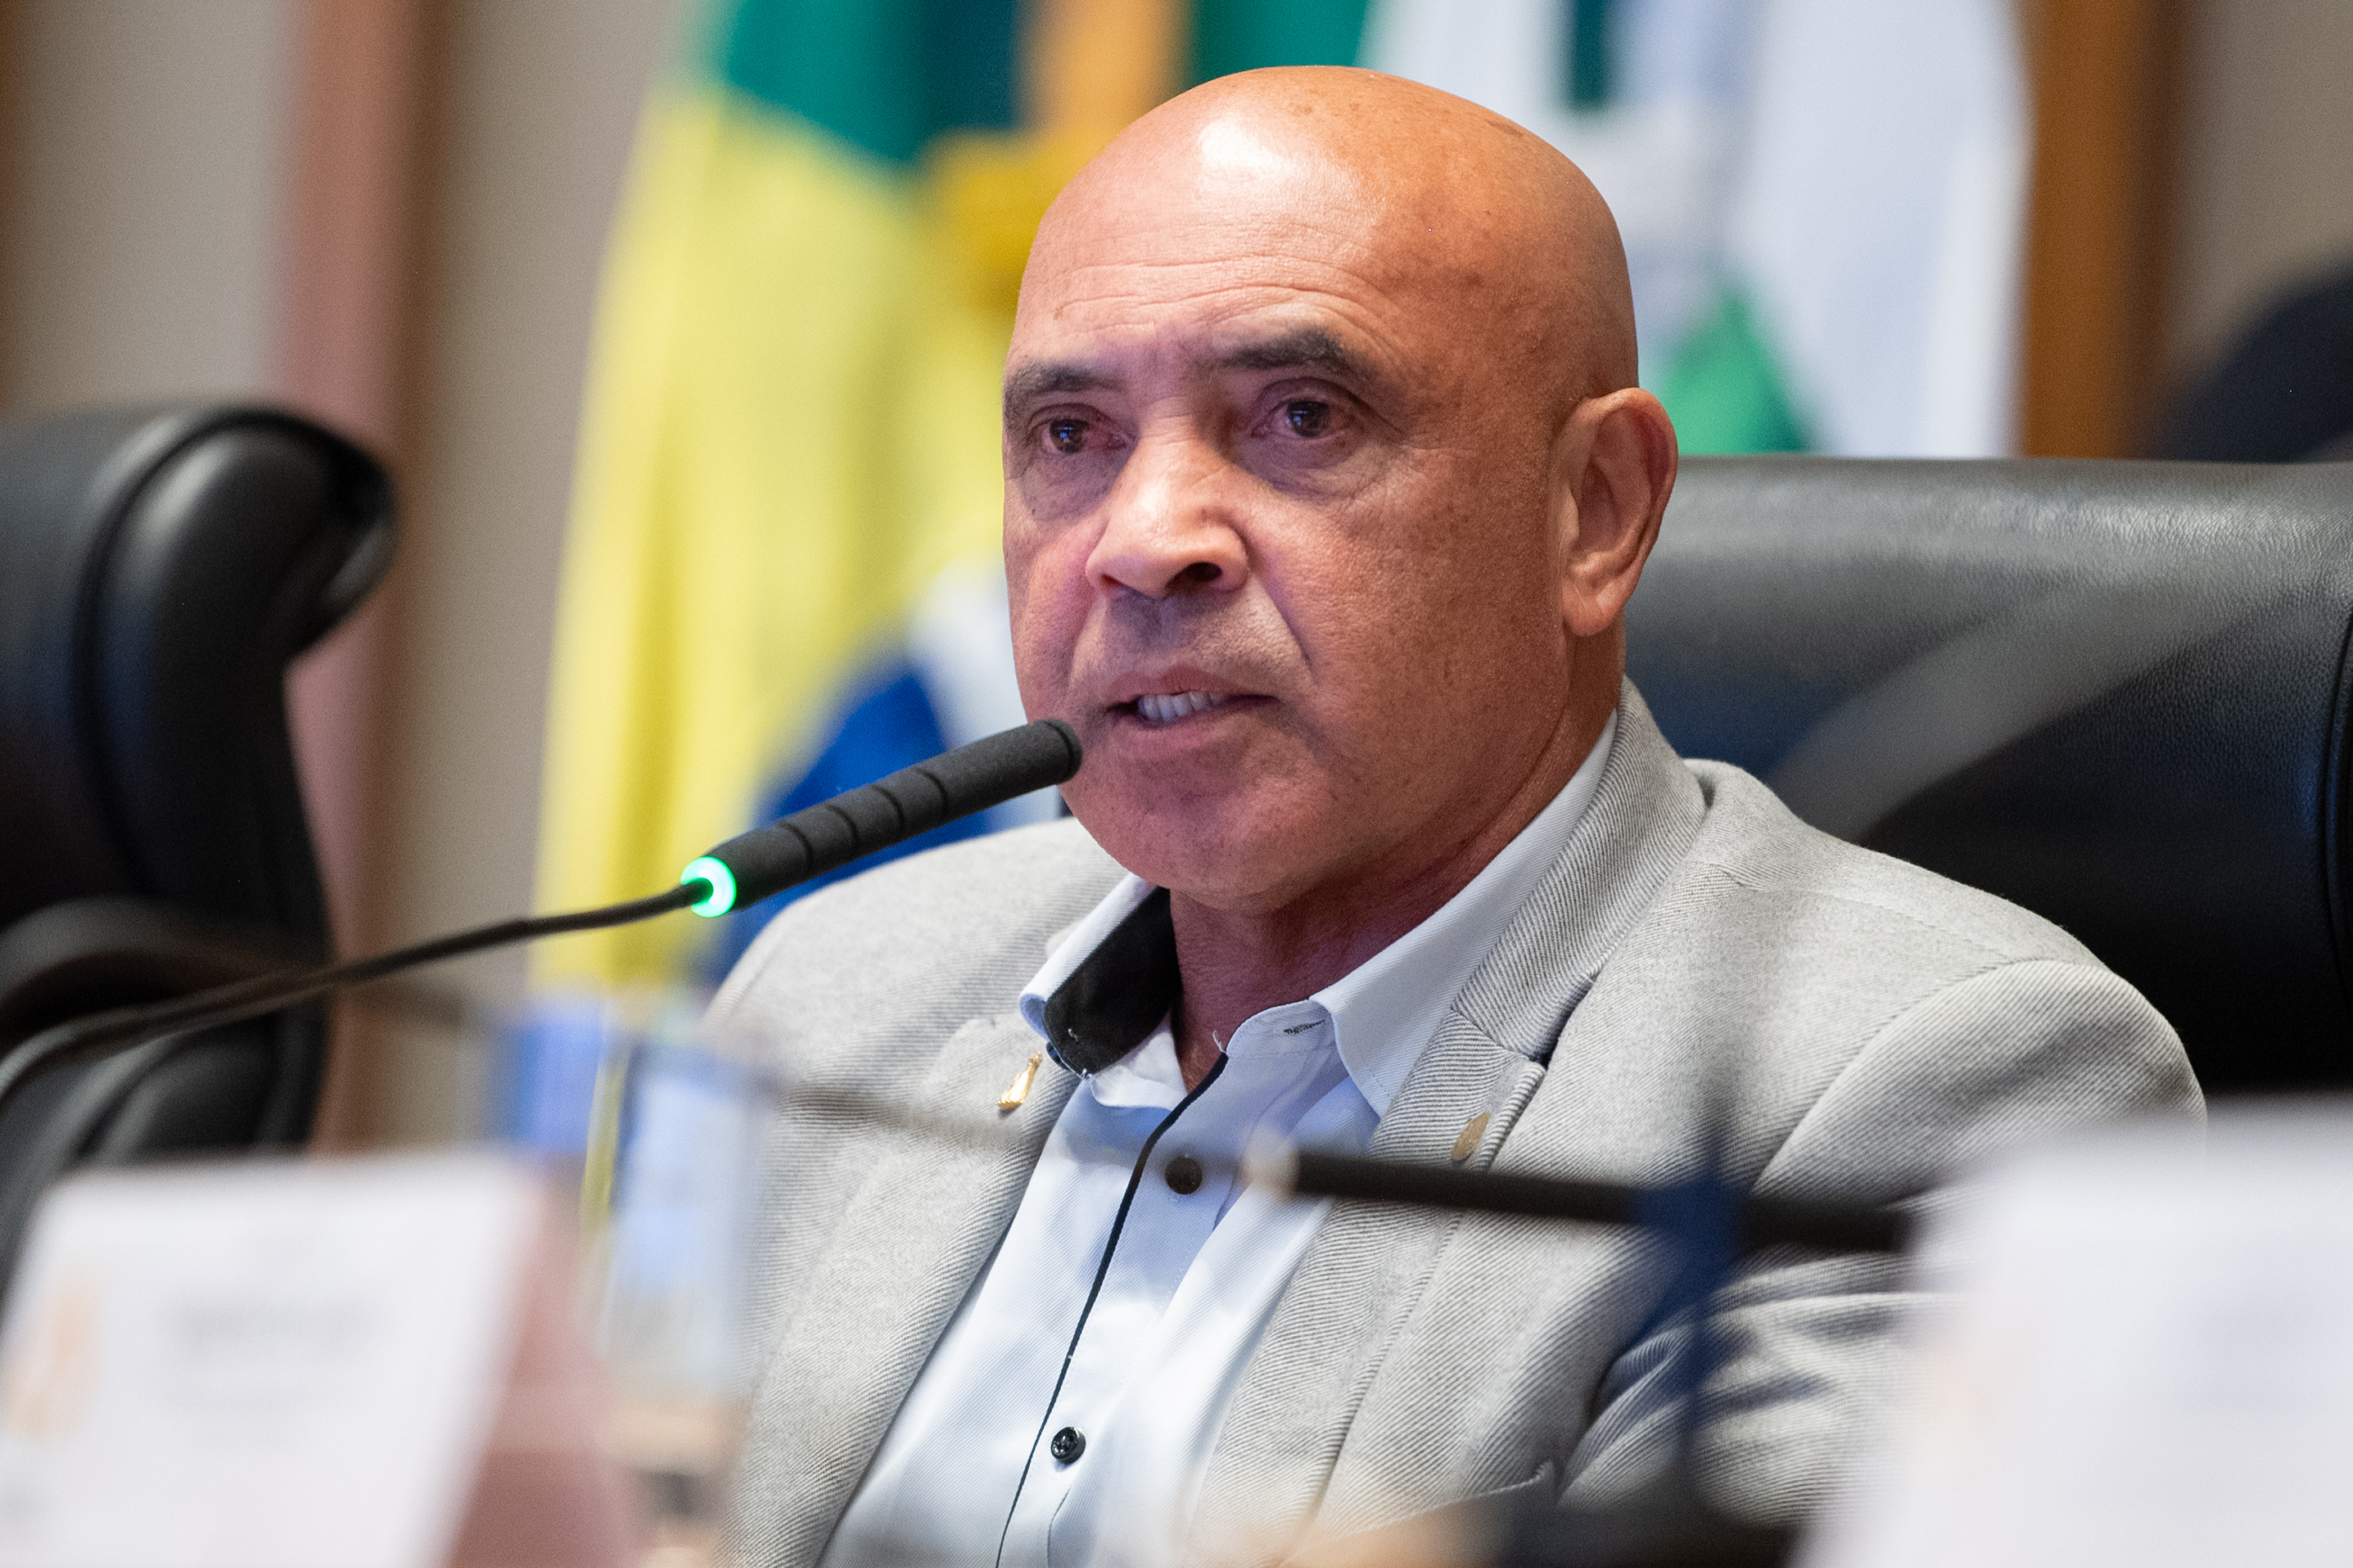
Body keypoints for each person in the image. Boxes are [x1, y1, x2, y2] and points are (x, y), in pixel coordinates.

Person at [716, 67, 2199, 1568]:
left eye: (1302, 416)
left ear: (1596, 510)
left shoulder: (1918, 1088)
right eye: (1069, 435)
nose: (1146, 539)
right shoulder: (835, 989)